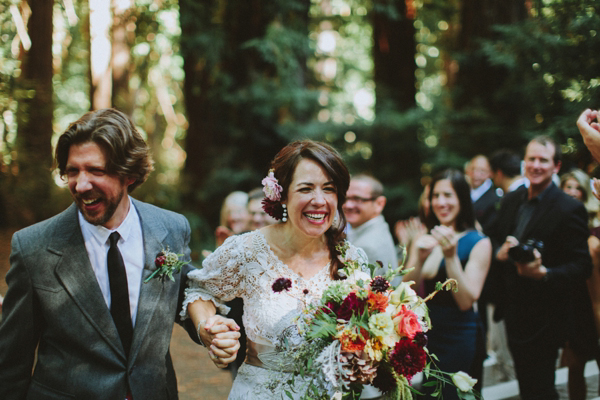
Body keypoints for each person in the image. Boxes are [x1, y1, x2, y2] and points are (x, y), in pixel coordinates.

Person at [0, 108, 239, 399]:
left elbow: (181, 299)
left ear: (129, 174)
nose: (81, 184)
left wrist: (207, 328)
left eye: (96, 171)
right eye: (73, 171)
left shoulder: (171, 228)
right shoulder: (33, 247)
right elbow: (11, 363)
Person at [181, 140, 368, 399]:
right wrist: (207, 328)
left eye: (329, 189)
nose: (319, 200)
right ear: (282, 195)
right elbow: (199, 290)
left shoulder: (352, 259)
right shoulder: (248, 249)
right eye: (305, 189)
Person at [489, 136, 594, 400]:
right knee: (527, 387)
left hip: (547, 315)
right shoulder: (512, 200)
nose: (536, 165)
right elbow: (493, 238)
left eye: (543, 160)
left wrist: (544, 273)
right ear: (524, 163)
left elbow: (583, 266)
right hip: (513, 310)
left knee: (542, 389)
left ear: (556, 166)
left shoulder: (569, 207)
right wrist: (500, 251)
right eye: (531, 159)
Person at [403, 169, 491, 400]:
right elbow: (404, 293)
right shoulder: (426, 238)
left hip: (459, 336)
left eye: (448, 195)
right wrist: (417, 257)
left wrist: (451, 257)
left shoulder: (478, 242)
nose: (441, 202)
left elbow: (465, 301)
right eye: (435, 196)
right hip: (428, 336)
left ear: (462, 199)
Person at [560, 168, 600, 400]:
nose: (573, 192)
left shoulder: (594, 225)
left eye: (578, 188)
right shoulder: (558, 221)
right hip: (575, 301)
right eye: (569, 187)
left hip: (594, 294)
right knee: (575, 365)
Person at [343, 174, 398, 276]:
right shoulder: (379, 228)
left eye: (357, 199)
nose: (348, 205)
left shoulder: (366, 248)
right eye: (345, 199)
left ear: (379, 204)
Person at [465, 155, 500, 233]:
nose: (476, 174)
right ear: (467, 170)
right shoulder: (462, 192)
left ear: (490, 173)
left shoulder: (495, 199)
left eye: (482, 171)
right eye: (473, 169)